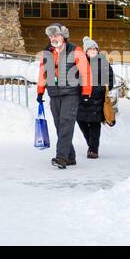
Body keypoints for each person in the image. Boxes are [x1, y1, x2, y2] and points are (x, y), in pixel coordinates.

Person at [36, 23, 92, 169]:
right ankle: (70, 157)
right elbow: (43, 72)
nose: (53, 39)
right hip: (54, 93)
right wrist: (40, 91)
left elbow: (86, 72)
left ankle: (61, 157)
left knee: (66, 123)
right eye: (50, 36)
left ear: (63, 36)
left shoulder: (75, 50)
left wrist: (86, 92)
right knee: (59, 125)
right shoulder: (47, 52)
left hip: (71, 93)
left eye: (55, 35)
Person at [76, 36, 116, 159]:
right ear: (86, 51)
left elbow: (110, 79)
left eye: (94, 48)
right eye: (90, 49)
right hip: (82, 98)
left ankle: (93, 150)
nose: (92, 51)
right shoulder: (80, 62)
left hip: (97, 98)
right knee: (81, 121)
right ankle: (91, 144)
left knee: (94, 124)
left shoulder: (103, 62)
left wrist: (100, 89)